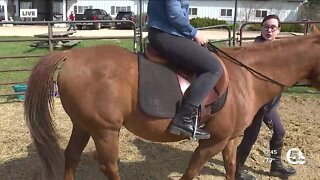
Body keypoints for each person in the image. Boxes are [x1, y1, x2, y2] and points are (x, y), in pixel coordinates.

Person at [147, 0, 223, 139]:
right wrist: (194, 33)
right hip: (166, 34)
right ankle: (185, 117)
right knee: (214, 67)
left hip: (168, 32)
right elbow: (174, 15)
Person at [236, 15, 296, 180]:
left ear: (278, 30)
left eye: (273, 27)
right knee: (251, 136)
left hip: (270, 104)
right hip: (256, 104)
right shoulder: (254, 50)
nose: (269, 30)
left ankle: (275, 165)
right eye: (266, 27)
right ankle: (237, 170)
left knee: (279, 132)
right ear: (261, 29)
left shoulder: (280, 50)